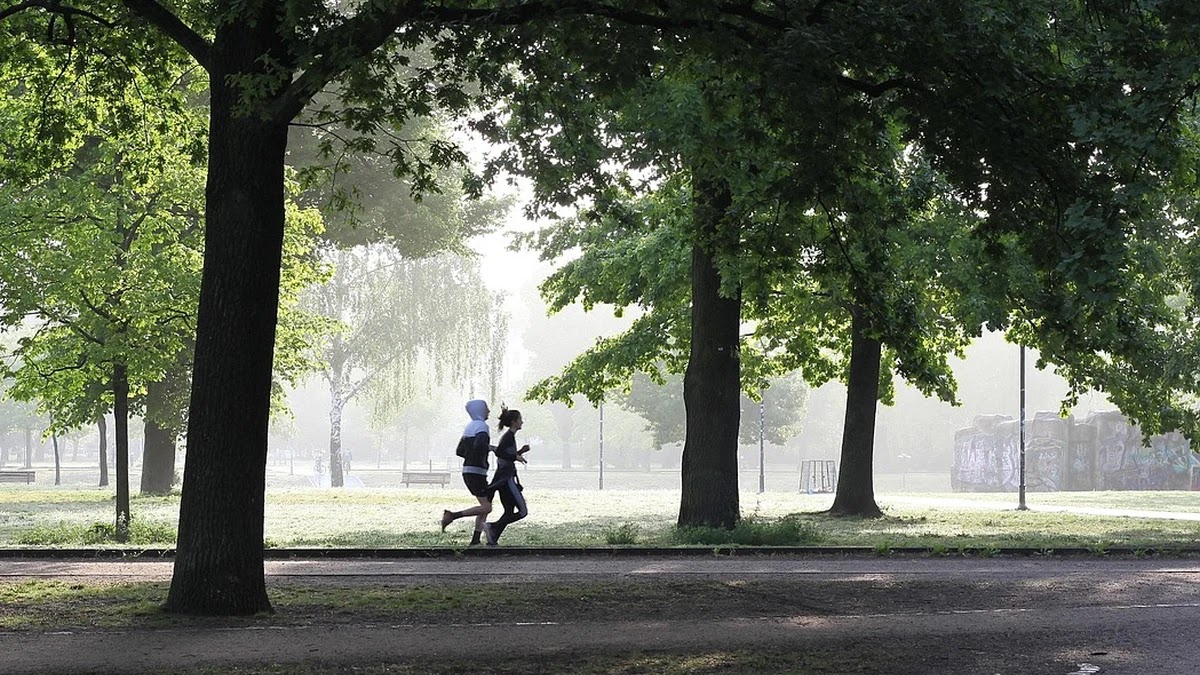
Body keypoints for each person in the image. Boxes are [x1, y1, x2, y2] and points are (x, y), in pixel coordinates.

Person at [440, 399, 494, 545]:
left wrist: (472, 456)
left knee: (485, 507)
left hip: (470, 470)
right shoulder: (482, 426)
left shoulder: (469, 427)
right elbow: (480, 445)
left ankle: (475, 540)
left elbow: (460, 451)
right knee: (486, 507)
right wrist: (490, 450)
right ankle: (452, 515)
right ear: (481, 410)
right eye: (487, 408)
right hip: (477, 471)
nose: (489, 411)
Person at [482, 406, 530, 546]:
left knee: (509, 511)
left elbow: (505, 454)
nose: (522, 422)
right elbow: (501, 453)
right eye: (520, 419)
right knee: (522, 512)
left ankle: (493, 538)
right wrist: (517, 456)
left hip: (504, 479)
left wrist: (520, 452)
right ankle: (492, 527)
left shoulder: (509, 437)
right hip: (507, 479)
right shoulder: (508, 436)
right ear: (514, 421)